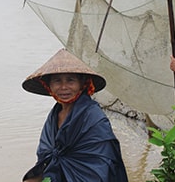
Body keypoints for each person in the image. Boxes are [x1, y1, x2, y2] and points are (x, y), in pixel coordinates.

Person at [22, 48, 129, 182]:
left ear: (82, 84)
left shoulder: (94, 117)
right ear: (49, 85)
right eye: (57, 81)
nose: (64, 87)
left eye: (70, 80)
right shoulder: (54, 116)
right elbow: (46, 158)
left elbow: (102, 165)